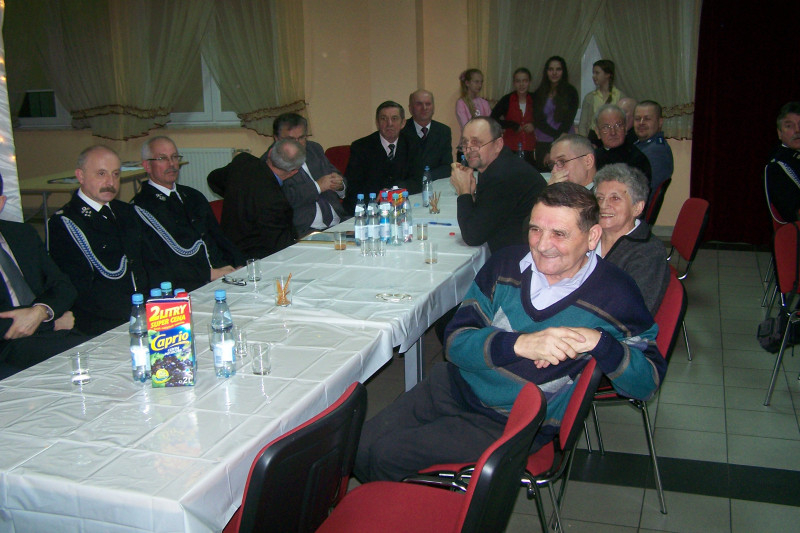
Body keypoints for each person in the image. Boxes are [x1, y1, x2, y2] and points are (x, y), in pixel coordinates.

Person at [355, 182, 666, 482]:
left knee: (386, 456)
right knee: (359, 446)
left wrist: (601, 342)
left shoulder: (616, 294)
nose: (542, 245)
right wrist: (520, 344)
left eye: (559, 234)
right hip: (454, 385)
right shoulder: (505, 264)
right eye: (535, 229)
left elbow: (646, 383)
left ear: (592, 236)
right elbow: (455, 342)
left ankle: (415, 506)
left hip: (511, 421)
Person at [48, 146, 153, 336]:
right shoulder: (66, 222)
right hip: (102, 322)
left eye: (115, 174)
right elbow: (80, 287)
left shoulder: (126, 212)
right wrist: (133, 314)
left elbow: (145, 263)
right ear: (80, 176)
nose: (110, 182)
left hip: (141, 311)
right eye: (101, 174)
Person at [132, 136, 243, 292]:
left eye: (174, 157)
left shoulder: (193, 196)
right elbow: (160, 262)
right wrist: (209, 273)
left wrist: (240, 264)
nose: (171, 164)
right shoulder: (141, 208)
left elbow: (219, 237)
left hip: (223, 273)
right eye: (162, 158)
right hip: (188, 284)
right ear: (147, 166)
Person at [0, 178, 87, 376]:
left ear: (1, 203)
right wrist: (49, 322)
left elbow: (63, 285)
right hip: (8, 346)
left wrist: (42, 312)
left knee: (101, 350)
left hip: (46, 337)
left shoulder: (21, 234)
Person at [449, 116, 546, 253]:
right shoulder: (497, 165)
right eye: (465, 143)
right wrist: (471, 194)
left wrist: (463, 191)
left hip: (525, 255)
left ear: (498, 144)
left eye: (476, 143)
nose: (468, 149)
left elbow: (473, 236)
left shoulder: (503, 175)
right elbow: (482, 215)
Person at [595, 163, 670, 315]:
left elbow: (635, 312)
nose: (603, 205)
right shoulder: (588, 236)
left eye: (615, 198)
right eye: (600, 198)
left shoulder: (649, 252)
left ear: (637, 208)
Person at [208, 139, 302, 258]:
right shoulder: (276, 201)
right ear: (294, 171)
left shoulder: (243, 161)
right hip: (252, 260)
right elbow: (282, 248)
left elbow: (213, 179)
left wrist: (237, 196)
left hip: (226, 249)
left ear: (270, 153)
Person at [262, 113, 347, 236]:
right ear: (276, 139)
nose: (298, 144)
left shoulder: (314, 149)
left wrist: (340, 185)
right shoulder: (270, 162)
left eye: (301, 138)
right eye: (291, 139)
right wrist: (317, 186)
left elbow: (338, 175)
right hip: (305, 230)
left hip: (339, 222)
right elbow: (283, 200)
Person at [344, 101, 415, 212]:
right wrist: (377, 198)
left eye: (394, 118)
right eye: (383, 119)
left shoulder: (412, 145)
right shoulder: (360, 147)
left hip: (402, 206)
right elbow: (353, 186)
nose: (389, 123)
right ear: (377, 123)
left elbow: (417, 180)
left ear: (403, 123)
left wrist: (393, 191)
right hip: (369, 208)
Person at [532, 56, 579, 170]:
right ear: (546, 72)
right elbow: (539, 121)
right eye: (551, 69)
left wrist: (553, 148)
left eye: (558, 69)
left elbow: (567, 121)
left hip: (565, 141)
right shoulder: (538, 93)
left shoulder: (571, 92)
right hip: (543, 142)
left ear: (563, 71)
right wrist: (549, 148)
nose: (554, 73)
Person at [594, 104, 652, 186]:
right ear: (597, 132)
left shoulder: (637, 159)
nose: (613, 132)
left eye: (618, 126)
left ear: (625, 128)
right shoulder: (592, 157)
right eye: (606, 127)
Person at [402, 90, 453, 183]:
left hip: (435, 185)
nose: (424, 108)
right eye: (419, 104)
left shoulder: (443, 131)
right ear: (410, 108)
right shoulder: (401, 131)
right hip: (407, 186)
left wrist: (426, 177)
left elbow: (447, 167)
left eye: (428, 104)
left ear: (433, 108)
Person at [491, 67, 536, 166]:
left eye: (525, 81)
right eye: (518, 81)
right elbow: (492, 119)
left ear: (529, 82)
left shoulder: (535, 99)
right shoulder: (507, 99)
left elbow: (544, 119)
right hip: (510, 148)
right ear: (514, 83)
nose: (521, 84)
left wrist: (534, 125)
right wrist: (512, 125)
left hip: (531, 148)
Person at [633, 100, 674, 206]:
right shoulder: (641, 146)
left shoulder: (657, 152)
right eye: (637, 119)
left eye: (647, 119)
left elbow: (643, 191)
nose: (641, 123)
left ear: (660, 122)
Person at [765, 101, 800, 223]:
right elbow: (793, 213)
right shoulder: (777, 167)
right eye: (789, 126)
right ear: (780, 133)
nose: (797, 130)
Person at [578, 59, 625, 141]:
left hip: (613, 135)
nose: (594, 76)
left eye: (597, 73)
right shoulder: (590, 97)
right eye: (593, 73)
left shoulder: (620, 96)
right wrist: (584, 141)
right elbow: (583, 124)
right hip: (594, 137)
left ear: (607, 75)